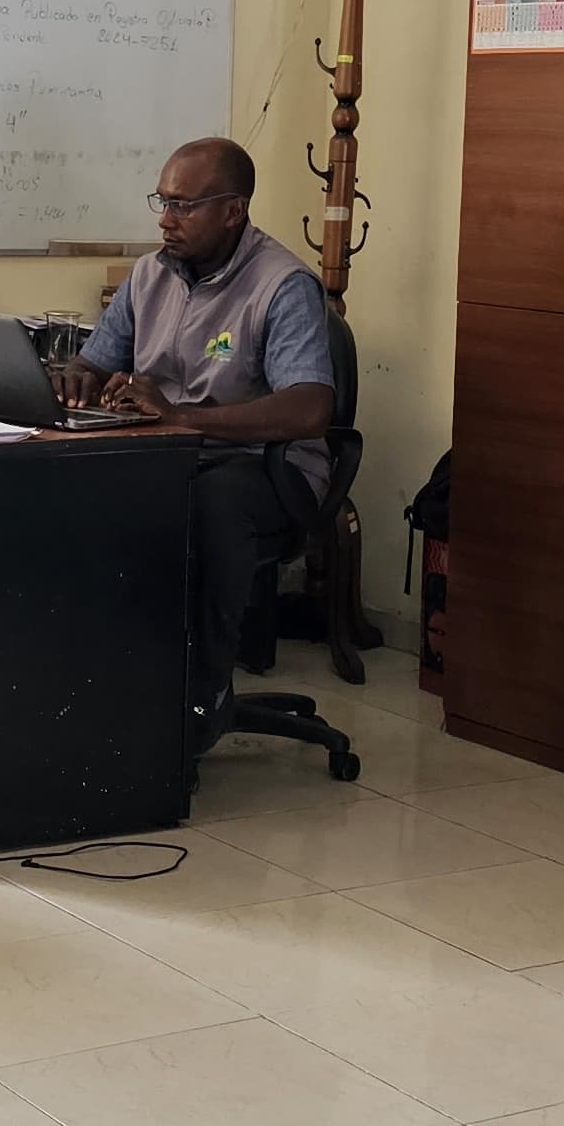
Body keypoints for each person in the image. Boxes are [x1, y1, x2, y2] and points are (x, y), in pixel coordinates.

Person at [51, 137, 336, 744]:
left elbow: (311, 407)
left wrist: (182, 417)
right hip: (171, 455)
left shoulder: (283, 285)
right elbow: (97, 360)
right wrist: (80, 376)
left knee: (212, 504)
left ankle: (204, 694)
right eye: (163, 201)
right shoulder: (150, 274)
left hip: (265, 468)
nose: (165, 219)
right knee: (75, 490)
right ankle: (102, 684)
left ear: (233, 211)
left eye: (183, 205)